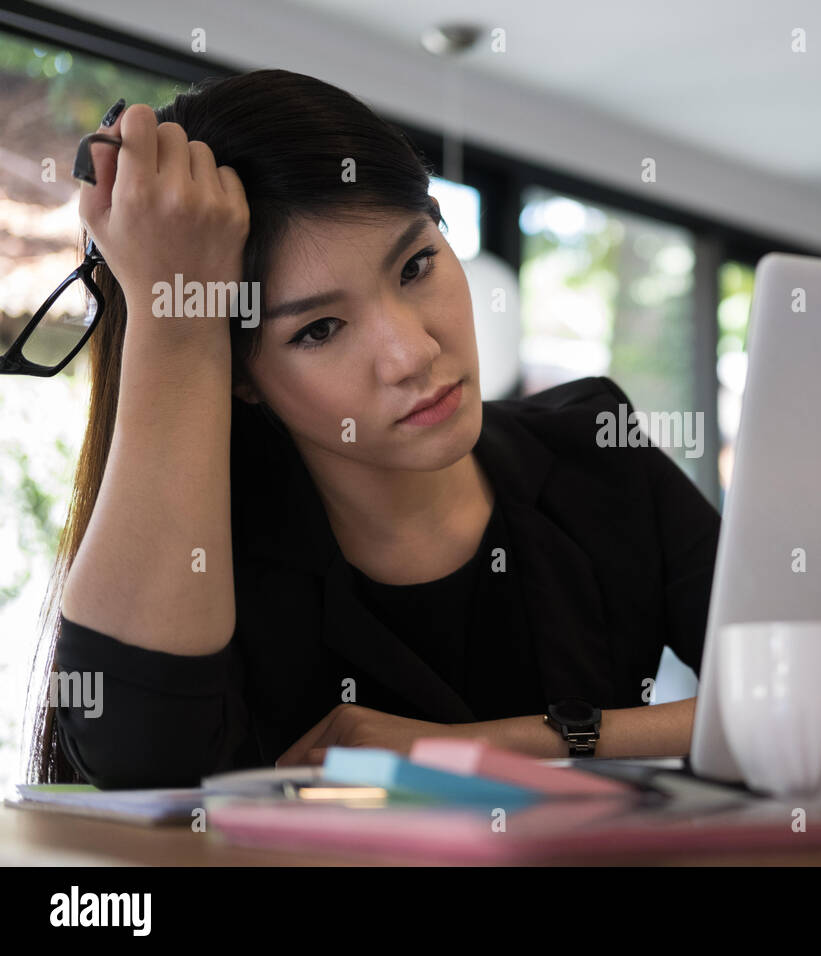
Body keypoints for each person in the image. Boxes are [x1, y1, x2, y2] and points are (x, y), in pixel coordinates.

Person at [25, 70, 720, 789]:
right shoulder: (208, 564)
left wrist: (502, 745)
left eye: (417, 265)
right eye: (320, 328)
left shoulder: (599, 456)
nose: (413, 353)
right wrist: (174, 319)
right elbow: (141, 763)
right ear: (238, 373)